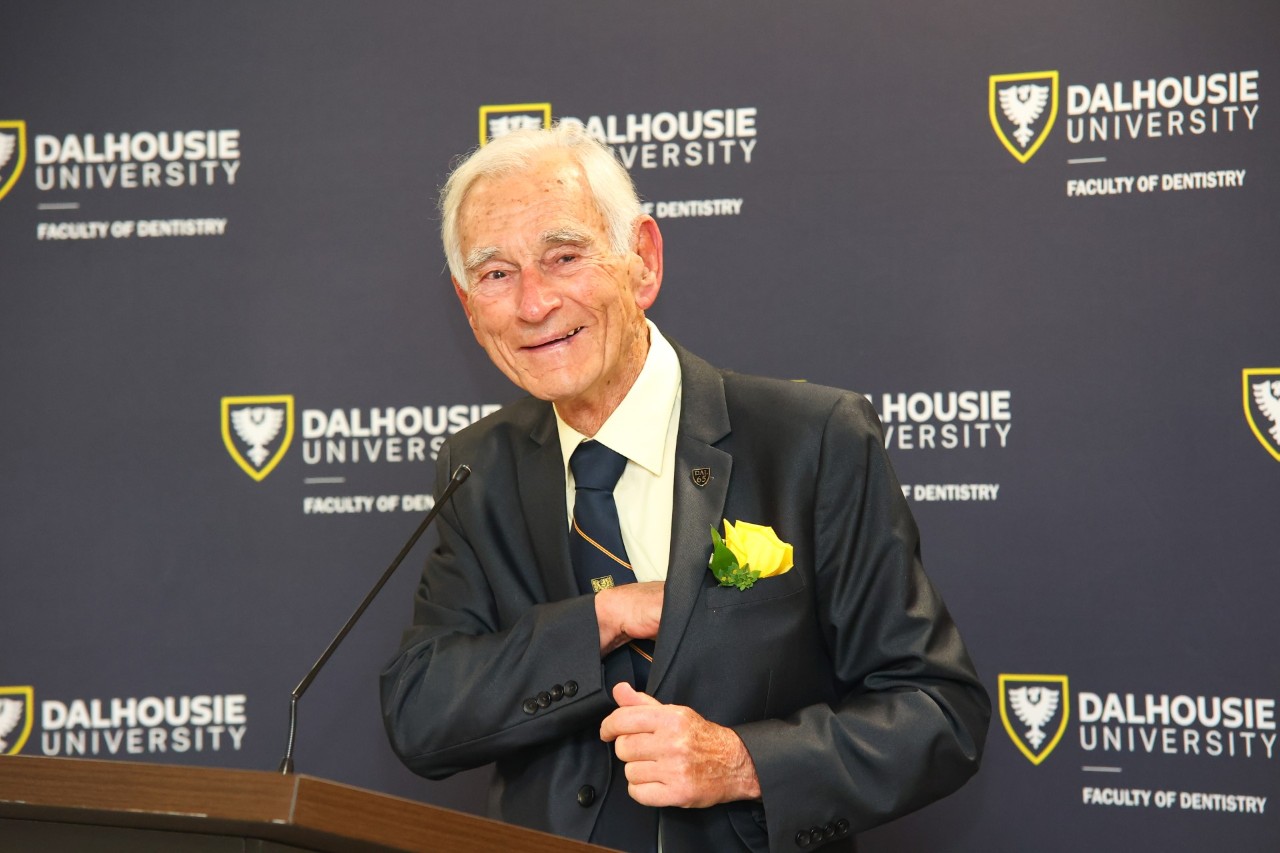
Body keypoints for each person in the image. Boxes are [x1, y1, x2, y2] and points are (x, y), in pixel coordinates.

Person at [381, 122, 989, 853]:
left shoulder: (811, 439)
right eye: (496, 274)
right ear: (468, 304)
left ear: (642, 259)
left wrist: (741, 763)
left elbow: (938, 711)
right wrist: (602, 617)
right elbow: (423, 712)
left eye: (564, 256)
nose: (533, 303)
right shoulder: (478, 467)